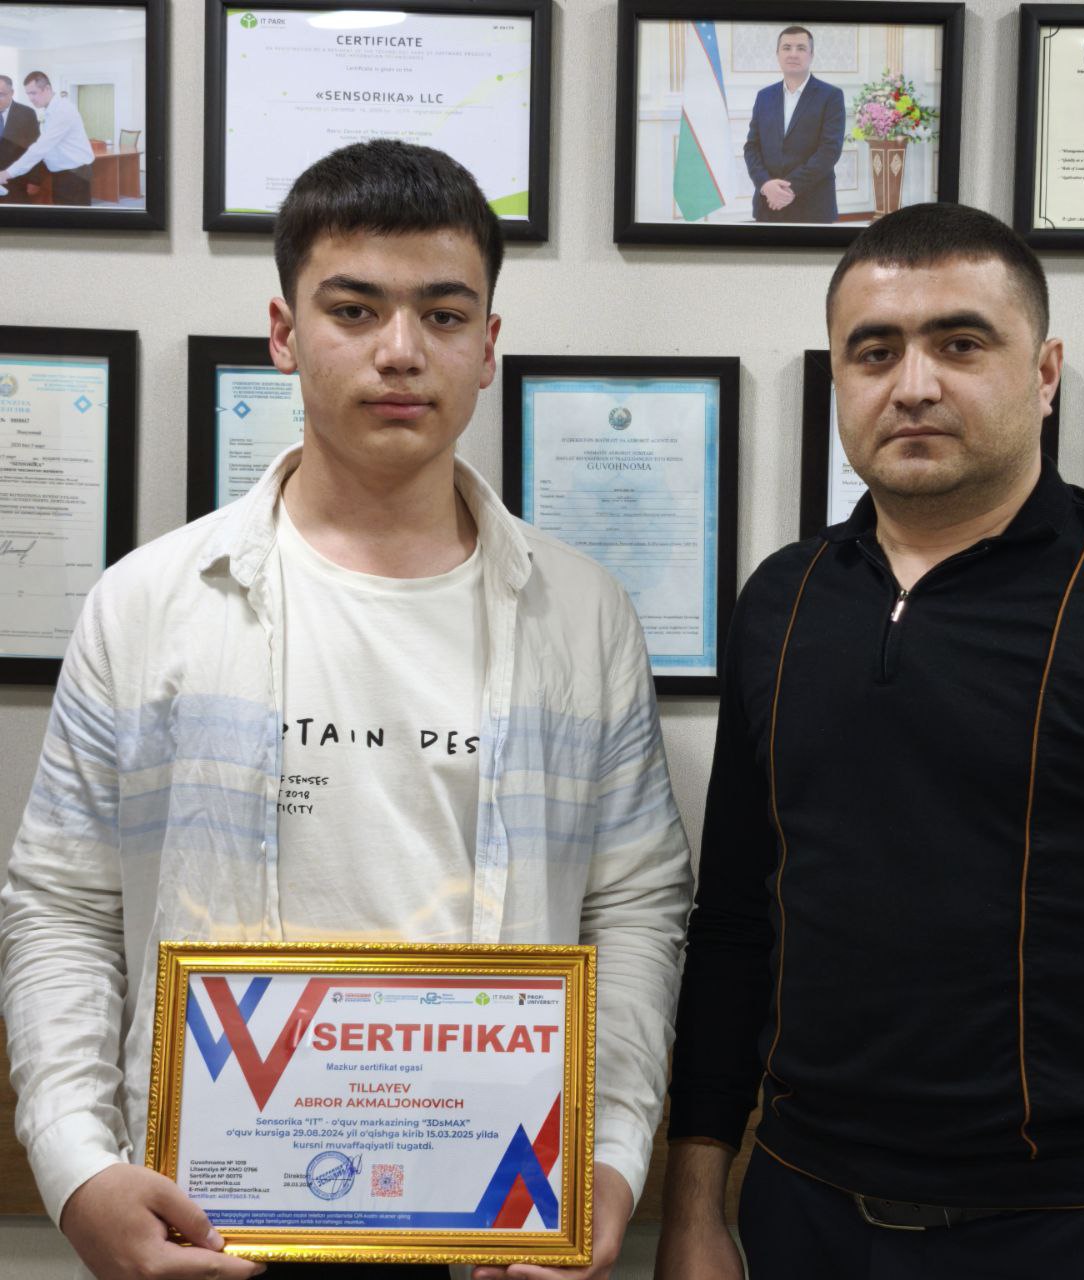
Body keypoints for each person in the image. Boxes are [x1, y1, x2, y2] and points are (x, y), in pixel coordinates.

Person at [1, 138, 692, 1280]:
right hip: (209, 1230)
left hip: (499, 1231)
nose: (400, 350)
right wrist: (76, 1167)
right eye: (354, 309)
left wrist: (608, 1156)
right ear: (284, 332)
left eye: (442, 314)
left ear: (487, 346)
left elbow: (634, 906)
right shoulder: (148, 604)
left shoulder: (582, 617)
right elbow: (62, 904)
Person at [655, 202, 1084, 1280]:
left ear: (1044, 372)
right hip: (799, 1211)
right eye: (874, 351)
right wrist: (694, 1203)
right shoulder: (782, 601)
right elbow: (733, 926)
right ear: (840, 378)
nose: (912, 385)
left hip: (1070, 1225)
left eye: (958, 343)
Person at [741, 26, 844, 224]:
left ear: (811, 55)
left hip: (813, 207)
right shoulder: (764, 96)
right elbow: (751, 147)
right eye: (787, 47)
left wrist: (788, 189)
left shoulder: (831, 96)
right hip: (767, 205)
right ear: (778, 54)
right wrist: (766, 185)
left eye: (801, 48)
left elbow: (829, 151)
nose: (793, 54)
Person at [0, 71, 94, 205]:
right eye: (28, 94)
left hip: (74, 175)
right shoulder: (51, 110)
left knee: (74, 216)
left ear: (47, 89)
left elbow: (40, 148)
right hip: (64, 174)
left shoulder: (62, 111)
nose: (31, 98)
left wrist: (7, 173)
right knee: (63, 215)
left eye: (34, 93)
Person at [0, 74, 39, 202]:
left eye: (1, 94)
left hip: (16, 181)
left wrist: (35, 180)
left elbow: (35, 148)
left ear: (11, 93)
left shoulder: (26, 114)